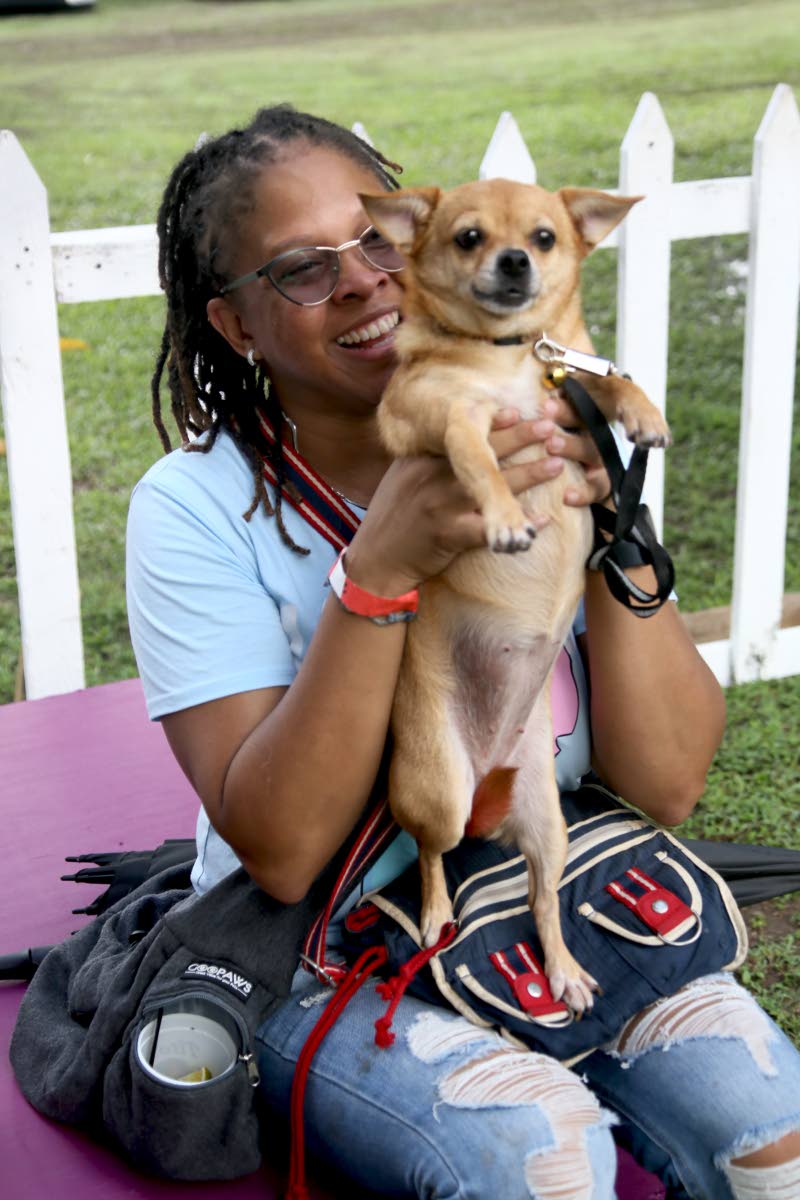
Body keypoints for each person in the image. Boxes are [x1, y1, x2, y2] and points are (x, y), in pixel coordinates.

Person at [126, 105, 800, 1200]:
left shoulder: (556, 414)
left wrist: (598, 517)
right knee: (536, 1160)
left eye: (380, 240)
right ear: (234, 325)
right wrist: (376, 570)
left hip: (556, 881)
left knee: (773, 1139)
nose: (364, 280)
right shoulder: (192, 508)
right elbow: (284, 854)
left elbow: (665, 781)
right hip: (324, 940)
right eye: (301, 271)